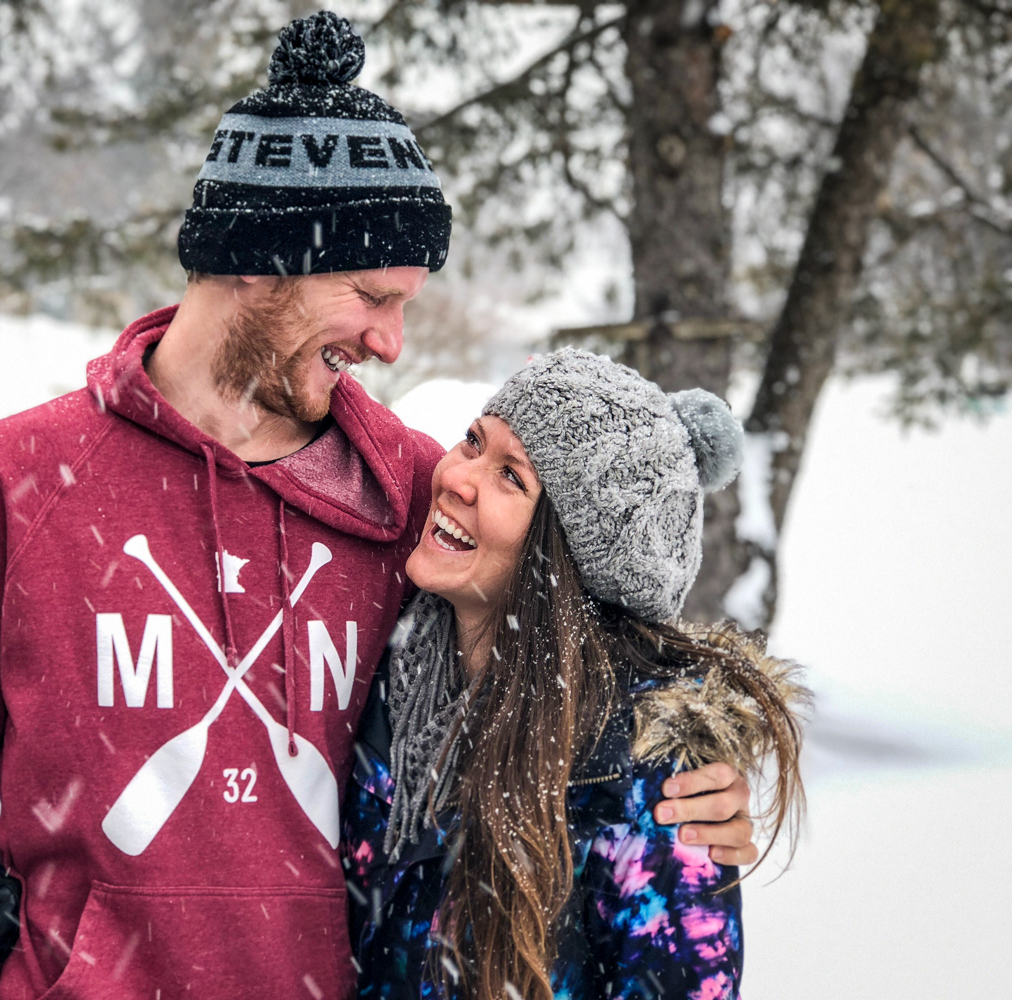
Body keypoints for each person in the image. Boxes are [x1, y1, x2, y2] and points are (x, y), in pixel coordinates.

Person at [0, 12, 759, 1000]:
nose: (390, 343)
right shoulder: (13, 481)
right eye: (372, 294)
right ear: (260, 259)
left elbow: (583, 654)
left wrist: (690, 789)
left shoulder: (415, 496)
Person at [344, 349, 808, 1000]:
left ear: (568, 557)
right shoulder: (395, 674)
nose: (458, 478)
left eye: (511, 476)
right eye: (473, 441)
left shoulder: (642, 777)